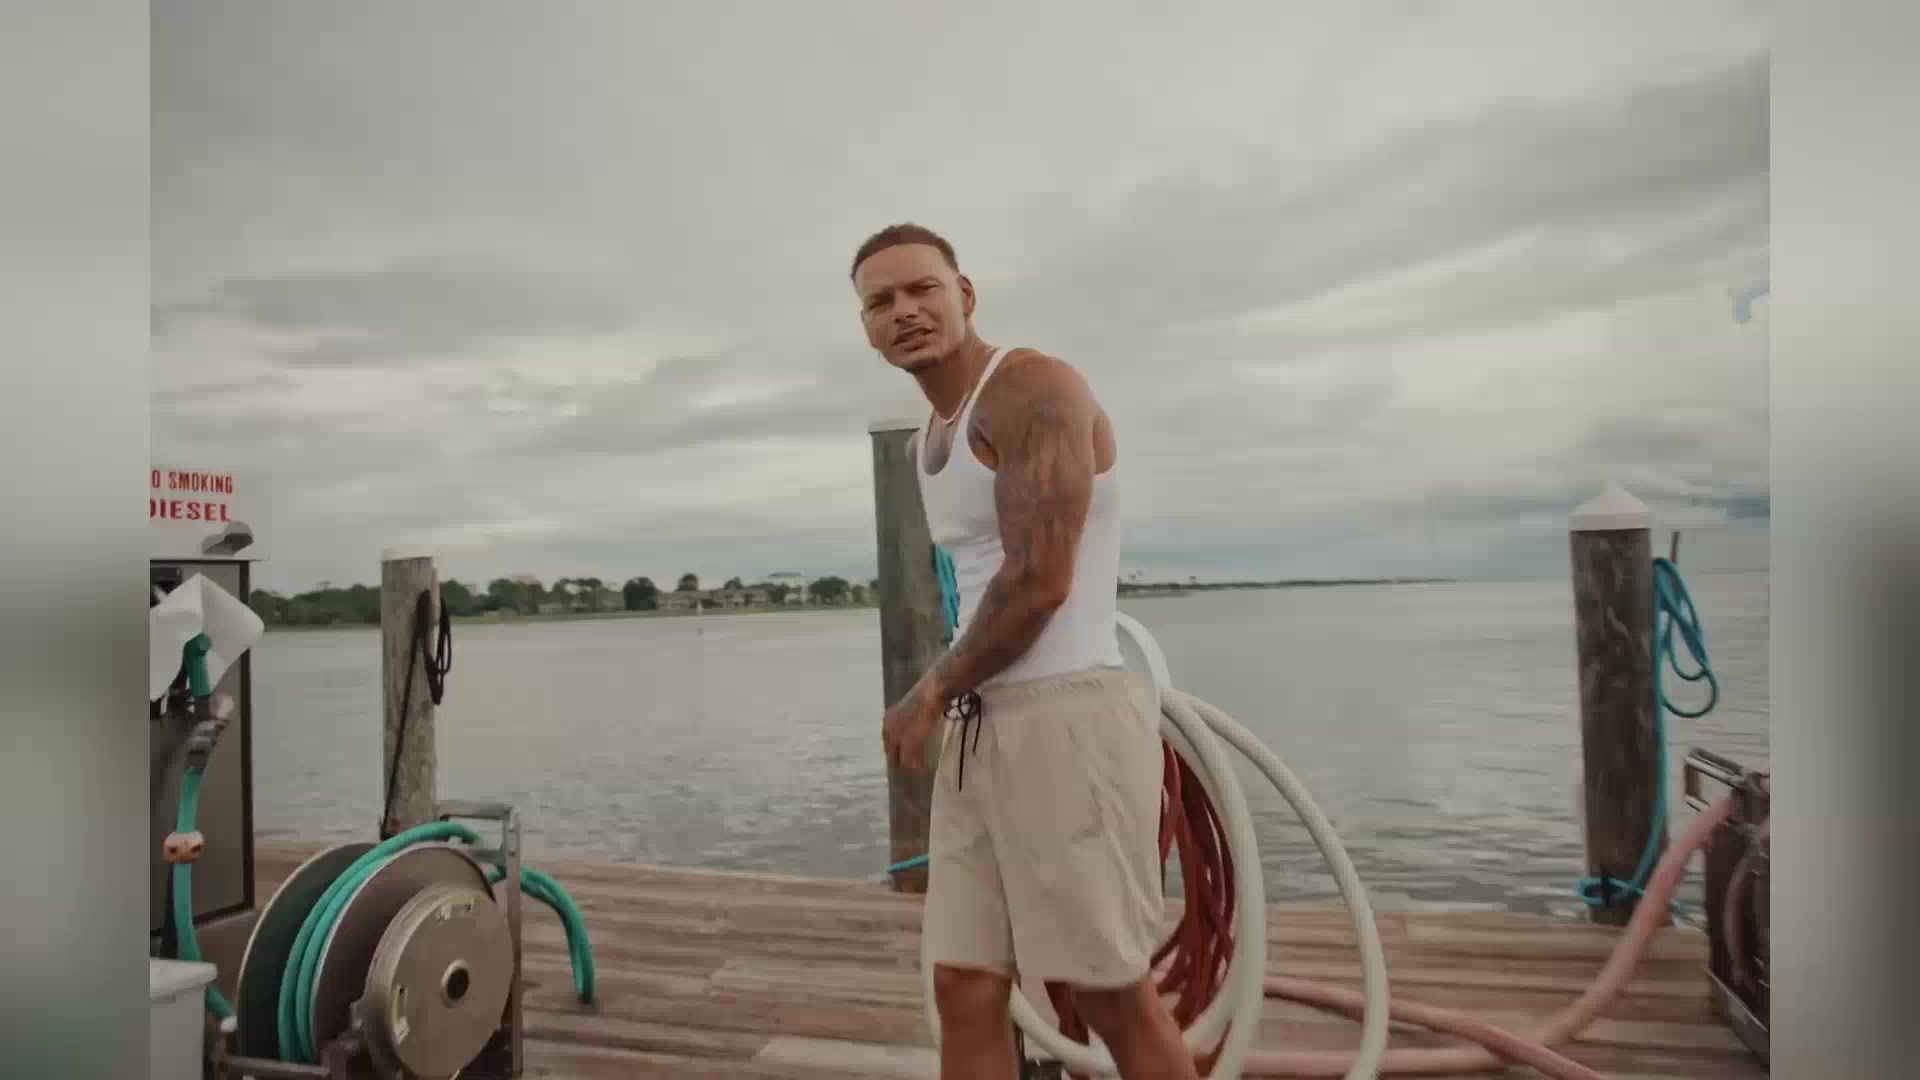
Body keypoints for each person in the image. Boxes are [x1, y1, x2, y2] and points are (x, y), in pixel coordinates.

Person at [850, 223, 1200, 1080]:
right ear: (866, 327)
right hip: (982, 723)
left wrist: (928, 691)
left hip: (1065, 714)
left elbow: (1040, 580)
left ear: (964, 295)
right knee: (965, 985)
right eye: (881, 301)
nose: (905, 311)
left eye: (923, 289)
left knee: (1109, 991)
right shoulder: (927, 441)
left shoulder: (1032, 388)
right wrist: (951, 697)